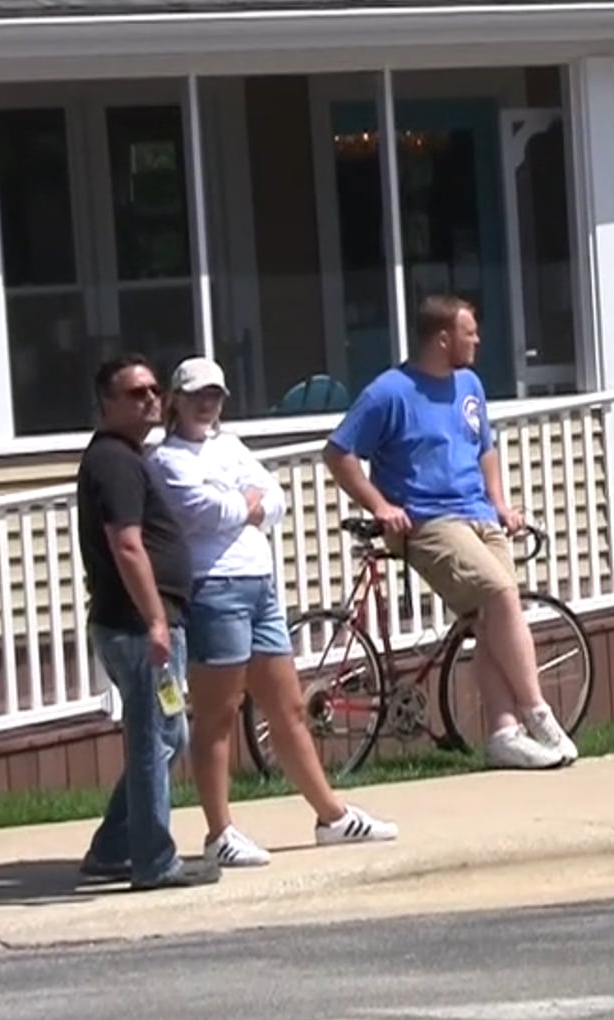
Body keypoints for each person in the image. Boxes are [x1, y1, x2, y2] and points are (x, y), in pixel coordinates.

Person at [151, 357, 398, 867]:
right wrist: (245, 504)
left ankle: (332, 817)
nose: (207, 404)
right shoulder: (167, 460)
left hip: (260, 587)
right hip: (214, 589)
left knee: (288, 709)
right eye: (197, 395)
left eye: (215, 395)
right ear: (175, 399)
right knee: (218, 714)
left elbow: (276, 498)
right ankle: (219, 832)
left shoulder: (230, 446)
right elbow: (205, 512)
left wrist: (246, 505)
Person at [324, 295, 563, 771]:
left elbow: (485, 448)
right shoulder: (390, 392)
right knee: (500, 593)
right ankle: (538, 712)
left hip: (479, 516)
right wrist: (381, 506)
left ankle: (503, 735)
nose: (477, 341)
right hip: (430, 522)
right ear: (441, 339)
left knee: (491, 618)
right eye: (469, 333)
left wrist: (499, 504)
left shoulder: (470, 384)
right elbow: (338, 452)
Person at [76, 356, 219, 891]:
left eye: (155, 390)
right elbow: (127, 545)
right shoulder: (114, 461)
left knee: (167, 735)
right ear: (106, 403)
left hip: (143, 624)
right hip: (139, 628)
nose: (151, 400)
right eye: (136, 393)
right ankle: (153, 861)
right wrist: (156, 619)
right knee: (154, 740)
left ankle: (114, 848)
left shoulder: (126, 457)